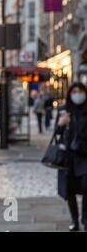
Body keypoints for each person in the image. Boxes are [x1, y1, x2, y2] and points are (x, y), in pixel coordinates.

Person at [56, 82, 87, 231]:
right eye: (74, 91)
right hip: (67, 157)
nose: (78, 94)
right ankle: (74, 220)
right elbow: (57, 134)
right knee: (69, 190)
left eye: (80, 91)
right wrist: (61, 124)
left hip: (84, 156)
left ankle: (85, 218)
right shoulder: (64, 110)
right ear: (70, 94)